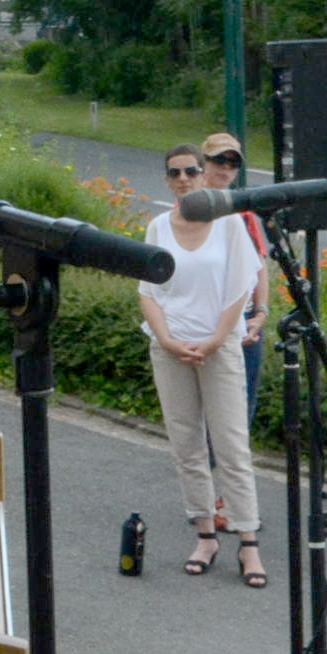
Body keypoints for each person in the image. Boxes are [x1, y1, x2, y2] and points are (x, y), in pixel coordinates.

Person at [138, 148, 263, 587]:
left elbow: (241, 287)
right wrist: (168, 340)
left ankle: (248, 542)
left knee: (231, 444)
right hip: (171, 348)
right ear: (168, 180)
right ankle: (205, 535)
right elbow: (148, 292)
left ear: (202, 175)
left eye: (192, 171)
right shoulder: (157, 226)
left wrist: (215, 339)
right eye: (175, 173)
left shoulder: (228, 223)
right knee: (186, 444)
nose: (185, 178)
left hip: (219, 346)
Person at [199, 132, 274, 422]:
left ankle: (234, 464)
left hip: (243, 320)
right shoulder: (191, 209)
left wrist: (261, 313)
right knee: (206, 402)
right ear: (204, 163)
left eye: (232, 164)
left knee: (242, 404)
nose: (225, 169)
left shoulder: (245, 215)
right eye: (219, 160)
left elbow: (259, 269)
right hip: (206, 318)